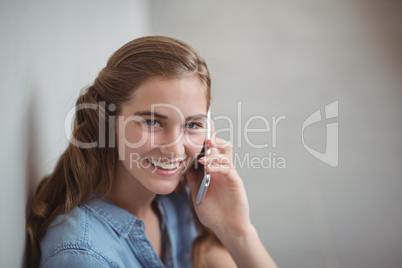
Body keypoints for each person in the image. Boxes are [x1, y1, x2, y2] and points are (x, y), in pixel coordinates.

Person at [26, 36, 277, 268]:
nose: (176, 149)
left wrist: (236, 230)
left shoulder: (178, 202)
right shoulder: (82, 255)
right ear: (107, 121)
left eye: (192, 125)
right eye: (153, 122)